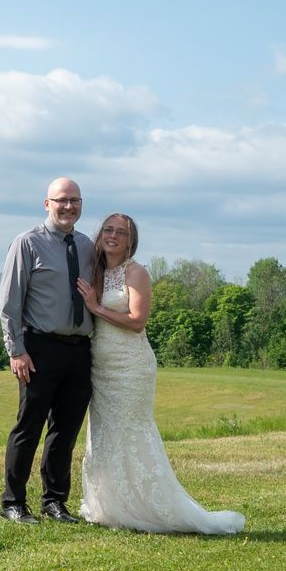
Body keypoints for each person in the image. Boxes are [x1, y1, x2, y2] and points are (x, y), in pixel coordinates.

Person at [74, 213, 245, 534]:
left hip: (131, 366)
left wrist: (97, 308)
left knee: (132, 431)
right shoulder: (95, 271)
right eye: (108, 230)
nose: (113, 236)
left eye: (120, 232)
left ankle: (149, 506)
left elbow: (138, 321)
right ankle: (109, 505)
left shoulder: (136, 273)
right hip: (100, 366)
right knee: (104, 433)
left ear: (130, 240)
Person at [0, 177, 95, 524]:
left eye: (75, 201)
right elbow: (9, 303)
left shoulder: (87, 246)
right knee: (29, 426)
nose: (69, 207)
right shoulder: (27, 243)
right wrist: (16, 351)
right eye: (62, 200)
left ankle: (54, 502)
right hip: (39, 348)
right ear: (47, 203)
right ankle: (13, 503)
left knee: (65, 431)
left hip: (80, 350)